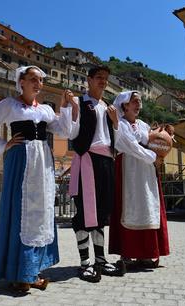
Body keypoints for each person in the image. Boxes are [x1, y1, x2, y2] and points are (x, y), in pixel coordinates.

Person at [0, 65, 78, 292]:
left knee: (41, 211)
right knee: (20, 211)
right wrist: (3, 145)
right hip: (21, 160)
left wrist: (65, 106)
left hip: (42, 161)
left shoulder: (44, 110)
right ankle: (20, 272)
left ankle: (30, 271)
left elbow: (64, 131)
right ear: (21, 81)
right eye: (33, 79)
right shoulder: (9, 105)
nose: (37, 84)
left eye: (40, 80)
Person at [66, 66, 124, 283]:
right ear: (88, 80)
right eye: (99, 77)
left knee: (102, 211)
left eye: (106, 79)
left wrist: (116, 122)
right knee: (84, 211)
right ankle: (84, 263)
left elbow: (118, 140)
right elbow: (71, 133)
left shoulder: (109, 108)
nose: (103, 81)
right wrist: (71, 109)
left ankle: (100, 259)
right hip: (88, 159)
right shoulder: (80, 103)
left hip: (107, 160)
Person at [109, 91, 170, 271]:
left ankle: (146, 254)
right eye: (134, 101)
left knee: (148, 207)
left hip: (147, 172)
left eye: (140, 102)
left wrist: (163, 141)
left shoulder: (143, 125)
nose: (138, 105)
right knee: (130, 208)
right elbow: (129, 146)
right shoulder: (120, 124)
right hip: (129, 169)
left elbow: (155, 141)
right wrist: (153, 157)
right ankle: (127, 253)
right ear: (125, 105)